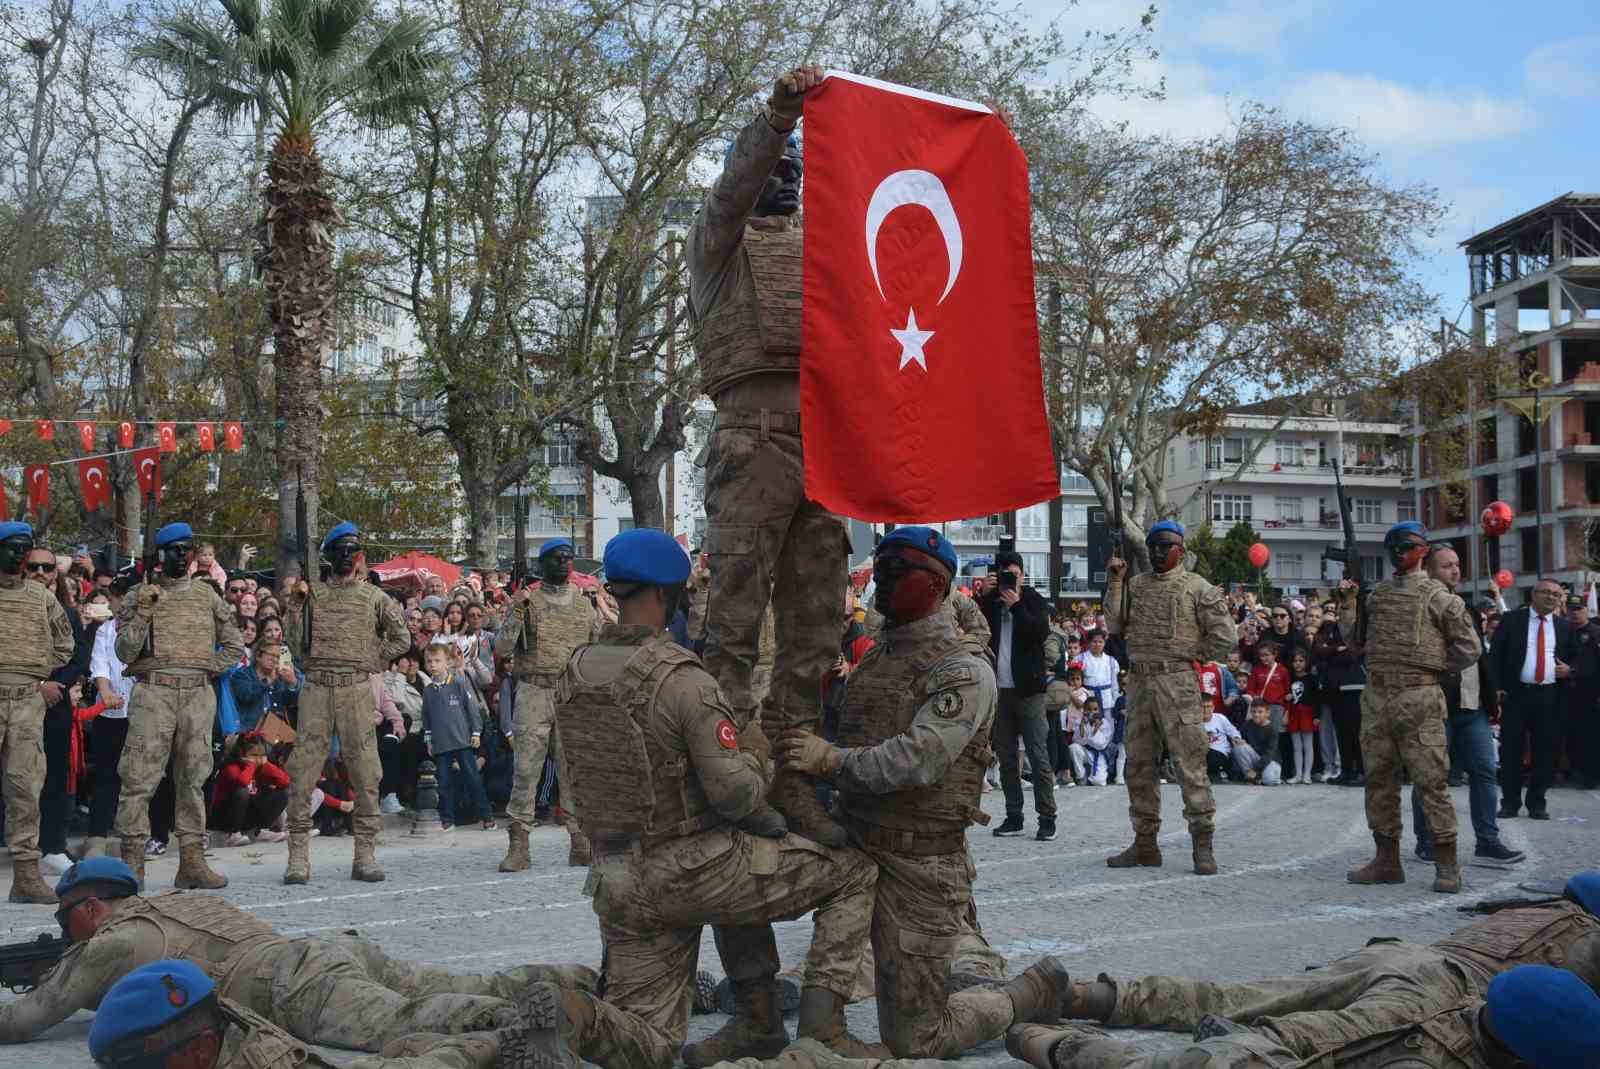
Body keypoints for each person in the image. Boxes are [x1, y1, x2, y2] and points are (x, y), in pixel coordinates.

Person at [531, 528, 879, 1069]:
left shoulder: (574, 671)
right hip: (690, 869)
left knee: (650, 1042)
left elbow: (572, 780)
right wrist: (761, 759)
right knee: (853, 870)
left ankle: (576, 1016)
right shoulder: (683, 679)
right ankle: (824, 1030)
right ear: (669, 593)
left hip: (618, 877)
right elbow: (735, 794)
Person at [777, 526, 1071, 1060]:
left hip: (920, 866)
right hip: (855, 846)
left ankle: (1024, 996)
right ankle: (802, 1024)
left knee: (916, 1038)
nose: (881, 584)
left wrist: (830, 761)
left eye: (896, 573)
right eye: (880, 571)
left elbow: (918, 759)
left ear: (936, 585)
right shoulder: (875, 659)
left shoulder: (961, 670)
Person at [689, 64, 848, 846]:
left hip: (824, 442)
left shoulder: (825, 250)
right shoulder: (718, 240)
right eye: (772, 165)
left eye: (792, 168)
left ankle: (793, 774)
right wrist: (780, 116)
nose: (782, 176)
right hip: (751, 440)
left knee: (816, 626)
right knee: (736, 629)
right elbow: (733, 186)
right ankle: (725, 777)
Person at [0, 856, 598, 1049]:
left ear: (89, 907)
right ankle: (588, 978)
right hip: (319, 952)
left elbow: (26, 1019)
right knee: (448, 979)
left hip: (288, 984)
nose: (66, 931)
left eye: (64, 919)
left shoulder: (110, 943)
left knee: (402, 1022)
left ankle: (523, 1022)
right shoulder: (176, 903)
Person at [1004, 963, 1600, 1069]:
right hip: (1269, 1057)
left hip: (1430, 972)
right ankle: (1031, 1035)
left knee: (1240, 999)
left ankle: (1085, 997)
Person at [1340, 521, 1481, 895]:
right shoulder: (1377, 595)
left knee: (1431, 781)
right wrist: (1348, 602)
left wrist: (1431, 668)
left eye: (1405, 546)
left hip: (1419, 698)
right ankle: (1387, 860)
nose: (1397, 553)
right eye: (1393, 547)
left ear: (1421, 549)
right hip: (1377, 697)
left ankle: (1447, 864)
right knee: (1379, 781)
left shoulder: (1440, 597)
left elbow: (1469, 648)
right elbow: (1355, 642)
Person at [114, 522, 244, 890]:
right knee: (139, 779)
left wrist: (209, 671)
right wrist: (143, 613)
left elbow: (233, 644)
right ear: (160, 555)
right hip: (154, 693)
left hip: (197, 695)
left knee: (193, 778)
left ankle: (191, 861)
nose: (182, 556)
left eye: (187, 549)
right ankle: (132, 866)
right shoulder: (139, 595)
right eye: (174, 550)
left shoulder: (207, 596)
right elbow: (124, 650)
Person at [1104, 520, 1237, 875]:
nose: (1158, 552)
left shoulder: (1198, 587)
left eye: (1166, 546)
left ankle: (1202, 843)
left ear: (1181, 549)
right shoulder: (1135, 584)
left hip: (1177, 681)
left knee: (1189, 764)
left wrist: (1195, 653)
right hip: (1140, 682)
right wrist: (1115, 581)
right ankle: (1145, 843)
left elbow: (1226, 636)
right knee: (1139, 765)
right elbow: (1115, 624)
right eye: (1153, 546)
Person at [283, 522, 412, 884]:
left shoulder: (375, 597)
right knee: (303, 771)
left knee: (366, 773)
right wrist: (294, 607)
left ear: (358, 557)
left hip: (356, 690)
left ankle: (365, 853)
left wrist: (374, 658)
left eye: (351, 551)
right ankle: (297, 857)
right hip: (318, 689)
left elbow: (401, 638)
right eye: (338, 551)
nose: (346, 557)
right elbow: (295, 647)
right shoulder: (312, 596)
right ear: (327, 557)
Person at [87, 959, 508, 1069]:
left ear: (198, 1053)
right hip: (298, 972)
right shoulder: (210, 1025)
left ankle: (503, 1037)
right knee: (406, 1038)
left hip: (304, 985)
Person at [1411, 546, 1524, 866]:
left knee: (1485, 772)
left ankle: (1487, 841)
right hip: (1435, 707)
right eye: (1447, 566)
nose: (1455, 571)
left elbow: (1480, 658)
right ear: (1429, 571)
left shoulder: (1469, 609)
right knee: (1429, 777)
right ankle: (1427, 839)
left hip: (1472, 707)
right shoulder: (1420, 609)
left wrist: (1491, 696)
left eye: (1457, 565)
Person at [492, 537, 597, 871]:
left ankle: (580, 842)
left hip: (571, 693)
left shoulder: (583, 605)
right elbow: (504, 648)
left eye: (568, 558)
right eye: (557, 558)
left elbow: (595, 650)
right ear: (543, 564)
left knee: (574, 771)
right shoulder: (529, 602)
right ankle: (519, 845)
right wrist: (517, 609)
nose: (565, 564)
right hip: (534, 692)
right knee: (526, 770)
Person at [0, 521, 76, 902]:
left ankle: (27, 876)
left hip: (27, 701)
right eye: (11, 547)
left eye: (23, 548)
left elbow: (65, 644)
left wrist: (35, 672)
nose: (18, 555)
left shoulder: (43, 598)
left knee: (25, 787)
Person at [977, 551, 1055, 841]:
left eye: (1014, 574)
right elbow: (976, 629)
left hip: (1029, 691)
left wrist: (1018, 606)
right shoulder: (992, 603)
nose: (1010, 579)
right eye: (1004, 574)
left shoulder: (1033, 600)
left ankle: (1047, 818)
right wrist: (985, 597)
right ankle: (1014, 816)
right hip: (1000, 691)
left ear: (1022, 575)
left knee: (1038, 754)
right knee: (1007, 758)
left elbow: (1039, 632)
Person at [1486, 576, 1576, 821]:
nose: (1550, 597)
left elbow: (1577, 658)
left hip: (1549, 696)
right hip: (1516, 694)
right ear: (1533, 595)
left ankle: (1537, 803)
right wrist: (1496, 687)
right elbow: (1495, 656)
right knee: (1511, 750)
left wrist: (1571, 670)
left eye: (1555, 594)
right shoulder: (1512, 620)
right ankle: (1510, 803)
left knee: (1545, 751)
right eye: (1545, 592)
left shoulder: (1564, 626)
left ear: (1559, 599)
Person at [420, 642, 494, 833]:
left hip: (462, 742)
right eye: (429, 661)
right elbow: (426, 717)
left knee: (473, 779)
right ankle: (447, 820)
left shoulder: (459, 684)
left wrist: (476, 733)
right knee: (443, 783)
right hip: (441, 745)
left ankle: (487, 817)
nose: (433, 665)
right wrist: (428, 740)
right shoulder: (427, 691)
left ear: (447, 662)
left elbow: (473, 712)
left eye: (437, 661)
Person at [210, 731, 290, 845]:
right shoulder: (231, 767)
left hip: (246, 814)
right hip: (224, 816)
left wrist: (266, 764)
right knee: (242, 792)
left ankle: (256, 831)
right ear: (241, 753)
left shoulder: (261, 766)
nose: (258, 759)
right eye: (254, 755)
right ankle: (232, 834)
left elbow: (285, 781)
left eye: (261, 755)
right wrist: (251, 766)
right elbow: (242, 782)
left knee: (283, 793)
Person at [1068, 697, 1112, 786]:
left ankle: (1095, 773)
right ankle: (1081, 776)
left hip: (1098, 754)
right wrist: (1082, 726)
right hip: (1084, 751)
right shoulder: (1080, 721)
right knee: (1074, 748)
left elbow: (1101, 745)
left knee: (1099, 782)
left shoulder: (1105, 724)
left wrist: (1095, 730)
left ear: (1100, 710)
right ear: (1084, 710)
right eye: (1088, 709)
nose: (1092, 712)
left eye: (1095, 709)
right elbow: (1076, 740)